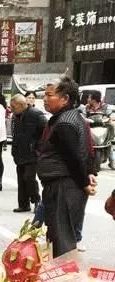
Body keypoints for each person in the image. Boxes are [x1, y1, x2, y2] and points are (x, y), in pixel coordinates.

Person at [37, 77, 96, 257]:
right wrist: (90, 173)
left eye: (49, 95)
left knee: (62, 239)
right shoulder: (69, 117)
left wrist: (85, 181)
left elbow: (73, 157)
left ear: (65, 99)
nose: (45, 99)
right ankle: (61, 278)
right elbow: (84, 148)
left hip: (64, 186)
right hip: (62, 184)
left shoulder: (64, 123)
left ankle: (66, 281)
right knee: (58, 235)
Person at [10, 94, 46, 213]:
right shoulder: (16, 116)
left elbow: (45, 132)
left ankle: (36, 201)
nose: (12, 109)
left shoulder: (36, 114)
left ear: (21, 105)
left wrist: (38, 147)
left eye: (13, 106)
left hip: (32, 153)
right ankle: (23, 204)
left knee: (29, 177)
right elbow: (15, 135)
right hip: (20, 152)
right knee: (21, 179)